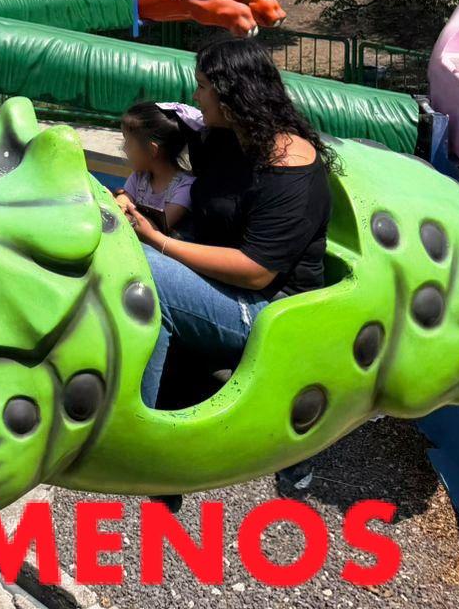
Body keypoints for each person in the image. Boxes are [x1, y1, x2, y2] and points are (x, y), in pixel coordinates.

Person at [120, 38, 332, 410]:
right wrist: (129, 202)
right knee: (122, 252)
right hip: (222, 284)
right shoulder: (230, 138)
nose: (195, 96)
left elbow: (256, 272)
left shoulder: (289, 170)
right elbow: (161, 130)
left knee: (149, 275)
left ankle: (140, 423)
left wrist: (159, 241)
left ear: (233, 95)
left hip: (270, 309)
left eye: (202, 86)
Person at [114, 102, 198, 235]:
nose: (124, 148)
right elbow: (125, 198)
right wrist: (117, 202)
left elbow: (157, 228)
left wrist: (119, 214)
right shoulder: (139, 176)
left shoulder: (185, 188)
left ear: (152, 150)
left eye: (128, 142)